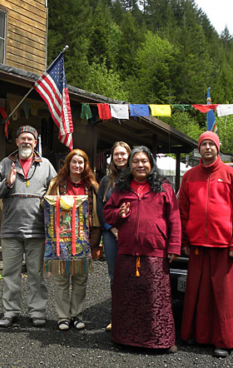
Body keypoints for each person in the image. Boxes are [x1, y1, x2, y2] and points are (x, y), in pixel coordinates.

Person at [103, 146, 181, 353]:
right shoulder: (121, 188)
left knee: (155, 298)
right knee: (127, 297)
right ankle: (124, 339)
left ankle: (160, 341)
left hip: (155, 251)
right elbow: (107, 213)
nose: (140, 165)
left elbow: (174, 219)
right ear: (130, 165)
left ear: (151, 164)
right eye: (135, 161)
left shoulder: (164, 188)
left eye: (144, 161)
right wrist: (119, 213)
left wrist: (174, 246)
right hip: (127, 251)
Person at [178, 131, 233, 358]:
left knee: (224, 296)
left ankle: (224, 341)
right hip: (197, 245)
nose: (207, 148)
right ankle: (194, 335)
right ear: (199, 149)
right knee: (197, 293)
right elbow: (182, 212)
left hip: (224, 247)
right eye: (203, 144)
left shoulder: (232, 175)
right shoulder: (189, 177)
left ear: (218, 148)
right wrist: (185, 241)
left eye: (211, 144)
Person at [0, 125, 57, 328]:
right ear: (16, 141)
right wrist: (6, 184)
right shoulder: (5, 164)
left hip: (37, 230)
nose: (26, 142)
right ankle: (10, 311)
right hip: (11, 229)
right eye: (23, 138)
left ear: (35, 143)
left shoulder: (45, 165)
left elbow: (56, 191)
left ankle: (37, 312)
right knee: (10, 273)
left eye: (30, 139)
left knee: (36, 274)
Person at [44, 149, 100, 331]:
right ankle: (62, 316)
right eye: (74, 162)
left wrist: (95, 238)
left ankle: (76, 314)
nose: (77, 165)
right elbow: (45, 207)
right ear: (68, 164)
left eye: (81, 162)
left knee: (80, 279)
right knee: (61, 279)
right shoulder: (56, 183)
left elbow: (98, 213)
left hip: (83, 238)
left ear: (85, 165)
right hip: (60, 240)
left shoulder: (92, 186)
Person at [96, 141, 131, 332]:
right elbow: (101, 208)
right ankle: (116, 316)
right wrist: (111, 228)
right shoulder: (106, 181)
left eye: (123, 154)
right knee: (114, 276)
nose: (120, 158)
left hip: (133, 232)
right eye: (116, 154)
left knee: (134, 273)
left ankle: (133, 314)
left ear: (129, 155)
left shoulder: (136, 177)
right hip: (111, 234)